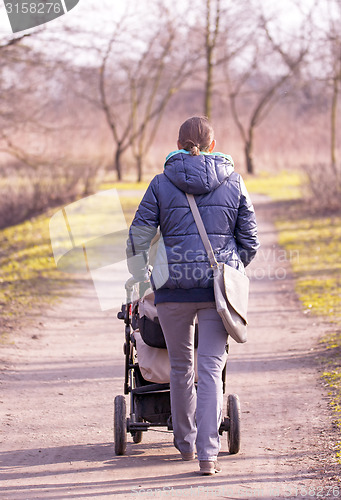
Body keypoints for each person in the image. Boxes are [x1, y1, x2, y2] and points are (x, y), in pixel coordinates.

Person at [126, 116, 259, 475]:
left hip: (172, 291)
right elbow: (250, 241)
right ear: (213, 146)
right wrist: (231, 270)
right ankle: (207, 455)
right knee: (211, 368)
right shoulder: (234, 181)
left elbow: (139, 235)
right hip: (217, 291)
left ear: (177, 144)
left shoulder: (160, 183)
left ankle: (185, 445)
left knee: (181, 367)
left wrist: (141, 277)